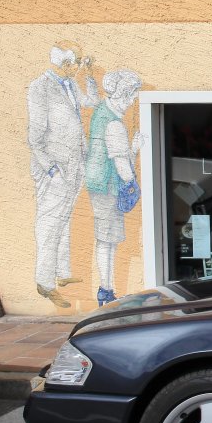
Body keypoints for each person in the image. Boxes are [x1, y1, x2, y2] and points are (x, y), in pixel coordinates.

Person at [27, 42, 98, 307]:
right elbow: (35, 136)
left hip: (75, 165)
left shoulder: (70, 84)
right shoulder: (40, 87)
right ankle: (45, 283)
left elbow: (92, 102)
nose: (78, 66)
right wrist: (50, 169)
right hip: (55, 169)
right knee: (49, 223)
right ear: (64, 63)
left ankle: (62, 272)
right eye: (76, 62)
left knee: (64, 219)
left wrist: (89, 77)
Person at [85, 69, 143, 307]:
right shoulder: (114, 124)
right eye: (131, 96)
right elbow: (121, 164)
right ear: (122, 94)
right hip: (108, 187)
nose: (132, 102)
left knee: (106, 240)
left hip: (98, 185)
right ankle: (106, 291)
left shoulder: (100, 113)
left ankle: (106, 289)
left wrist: (132, 149)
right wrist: (133, 184)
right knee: (108, 240)